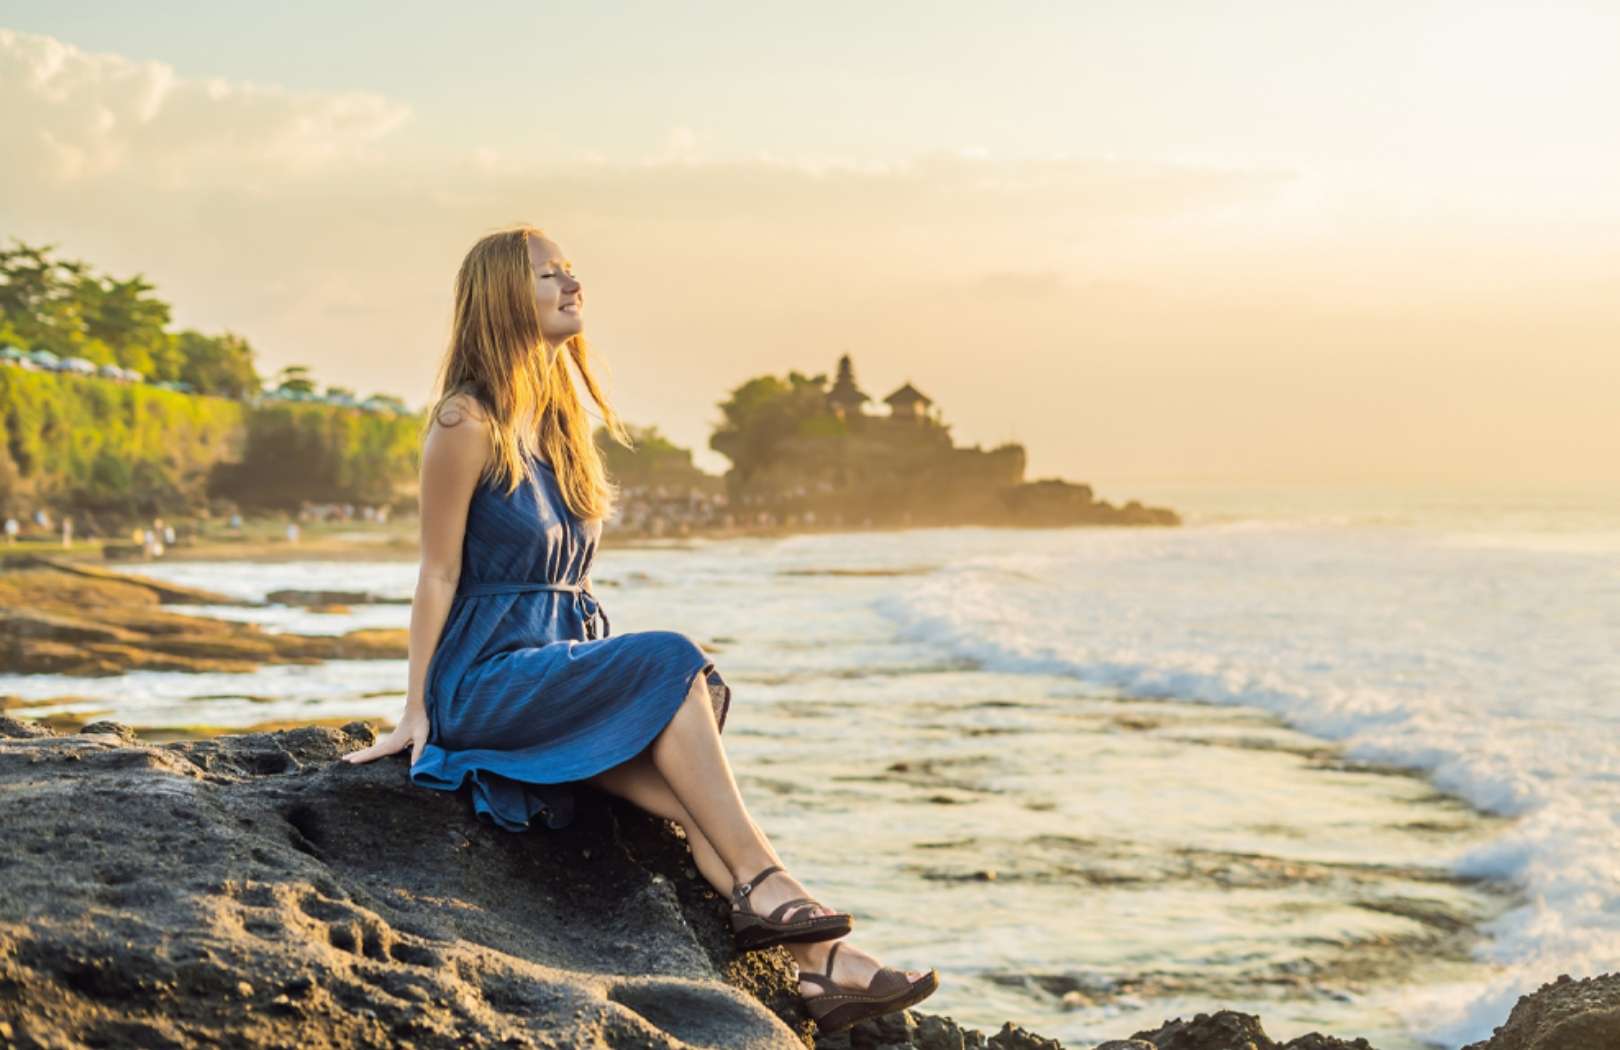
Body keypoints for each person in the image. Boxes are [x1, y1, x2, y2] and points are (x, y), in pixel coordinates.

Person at [340, 224, 937, 1032]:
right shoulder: (463, 423)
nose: (571, 283)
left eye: (570, 270)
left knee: (691, 806)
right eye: (548, 274)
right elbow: (437, 572)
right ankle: (772, 886)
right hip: (487, 682)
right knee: (673, 657)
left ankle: (824, 968)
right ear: (502, 298)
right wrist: (415, 711)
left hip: (558, 675)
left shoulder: (555, 428)